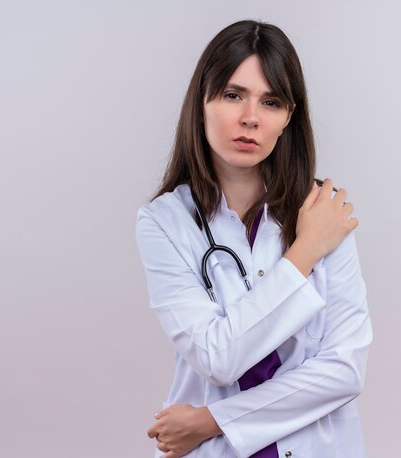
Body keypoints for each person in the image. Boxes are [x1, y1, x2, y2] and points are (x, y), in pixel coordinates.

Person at [135, 19, 372, 458]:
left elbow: (344, 372)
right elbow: (218, 358)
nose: (250, 117)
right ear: (201, 101)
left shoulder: (324, 213)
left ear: (288, 118)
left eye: (271, 101)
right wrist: (304, 253)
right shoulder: (164, 223)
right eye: (232, 95)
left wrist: (212, 421)